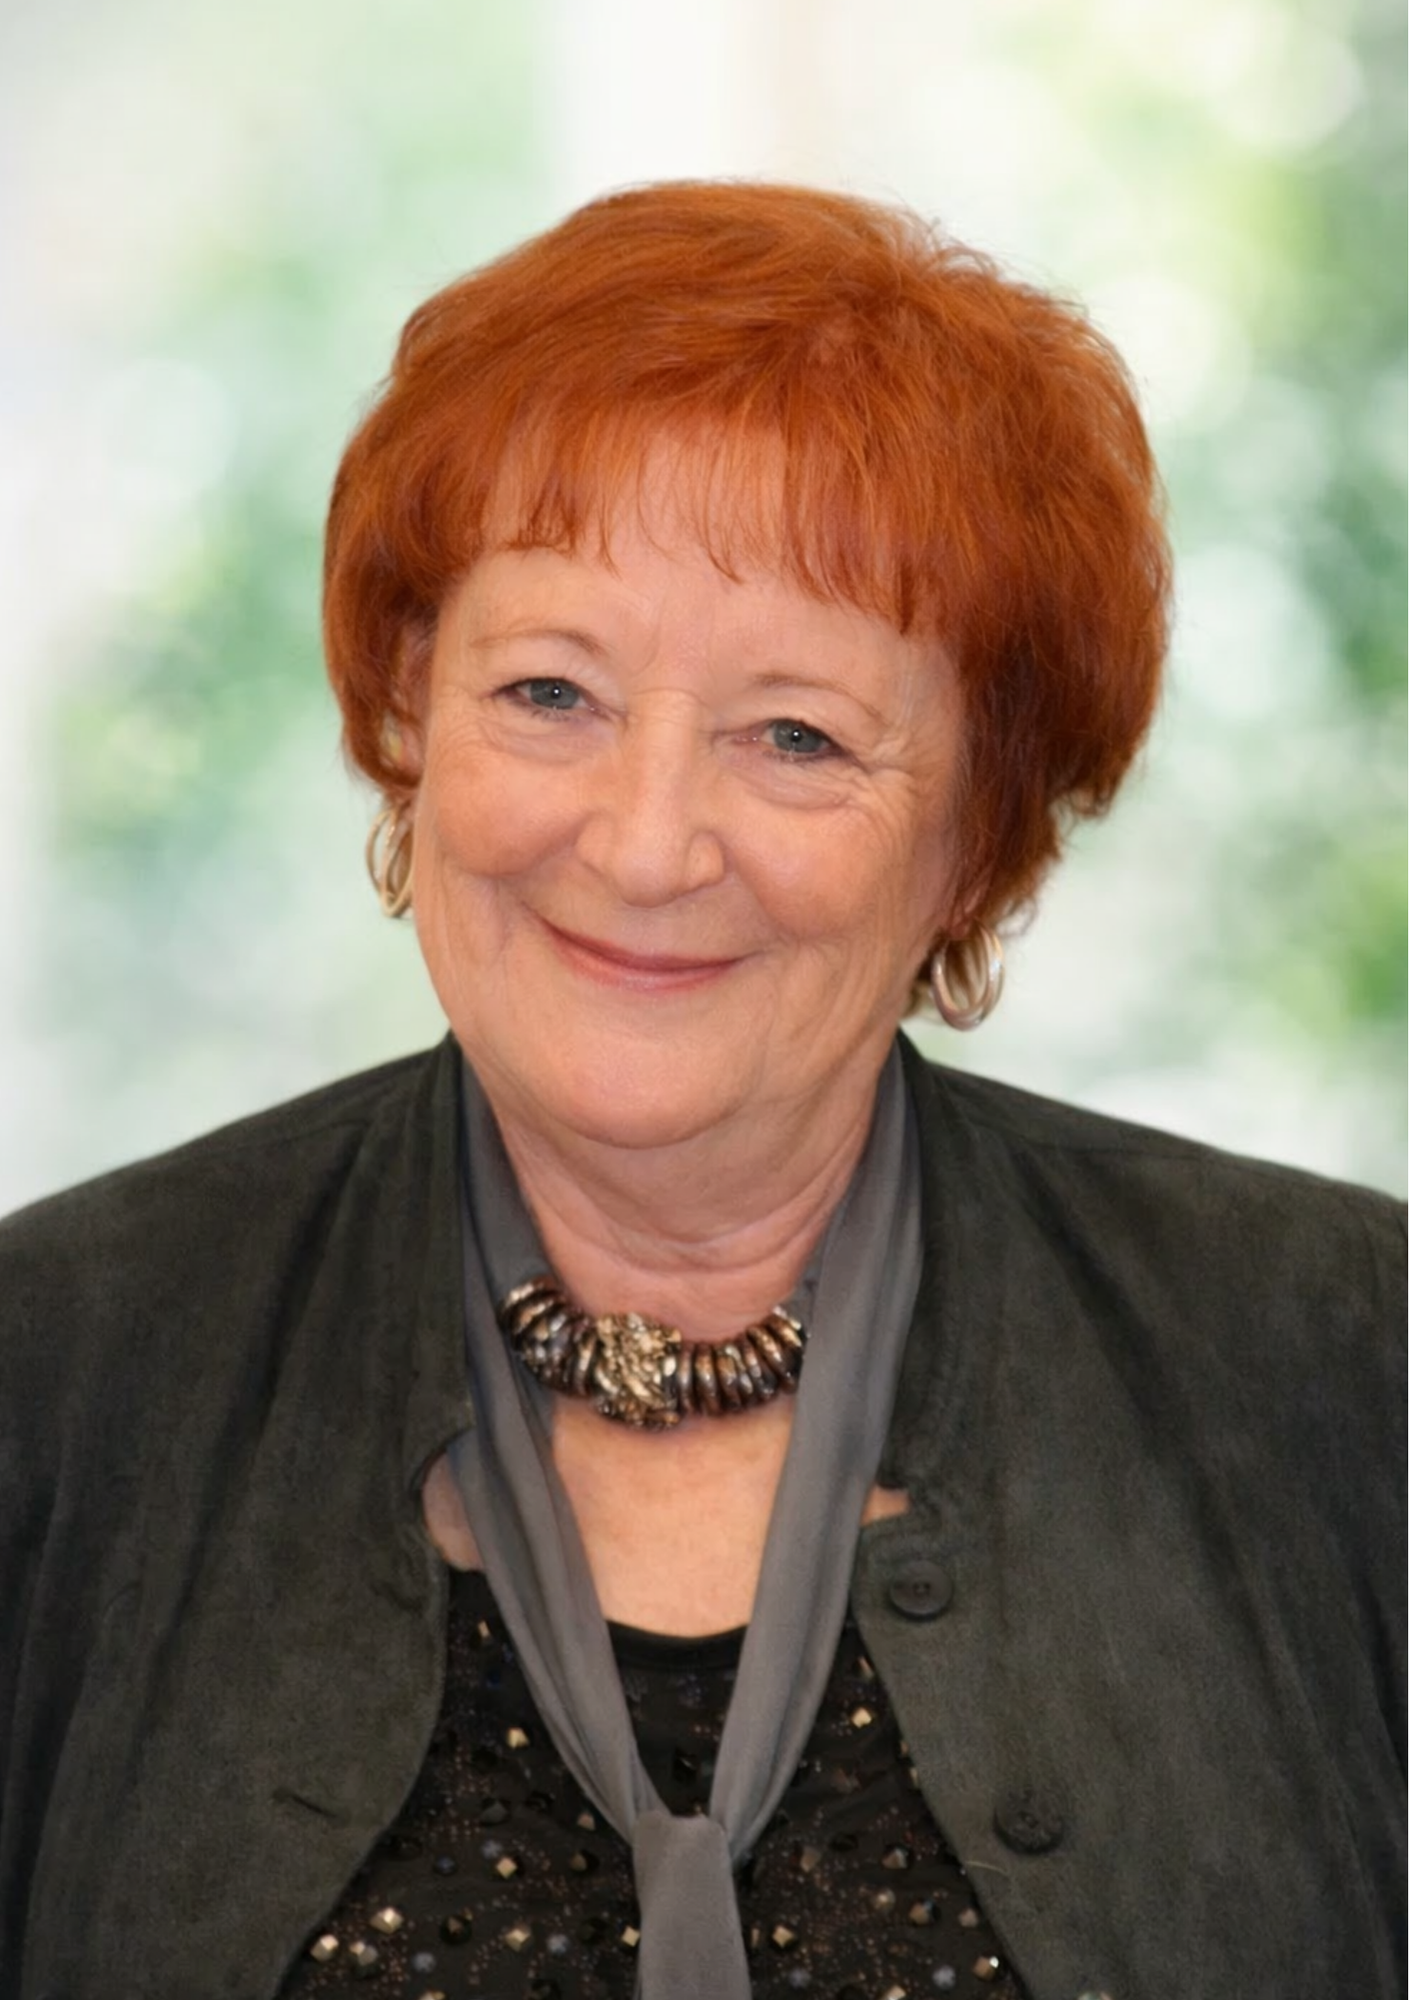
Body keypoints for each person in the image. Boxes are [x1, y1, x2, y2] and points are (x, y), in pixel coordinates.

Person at [0, 181, 1402, 2000]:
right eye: (551, 694)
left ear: (979, 838)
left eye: (796, 735)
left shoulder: (1347, 1364)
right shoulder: (56, 1371)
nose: (647, 844)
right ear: (410, 712)